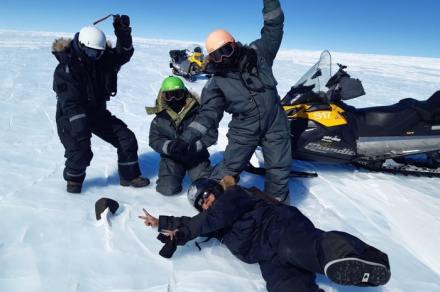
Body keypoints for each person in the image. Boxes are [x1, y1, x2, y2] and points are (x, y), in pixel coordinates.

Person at [139, 177, 391, 292]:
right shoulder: (212, 221)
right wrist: (161, 221)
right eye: (201, 203)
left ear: (216, 189)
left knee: (303, 248)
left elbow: (204, 220)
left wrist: (182, 234)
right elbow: (197, 221)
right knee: (284, 286)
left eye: (207, 195)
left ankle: (363, 257)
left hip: (278, 228)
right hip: (266, 256)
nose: (206, 202)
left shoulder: (233, 196)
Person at [169, 0, 292, 201]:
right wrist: (186, 139)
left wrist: (270, 2)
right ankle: (211, 200)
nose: (223, 58)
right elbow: (208, 115)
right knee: (230, 166)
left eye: (226, 50)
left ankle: (276, 211)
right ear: (211, 59)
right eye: (216, 56)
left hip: (275, 123)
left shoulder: (258, 55)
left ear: (234, 45)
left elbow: (274, 27)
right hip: (245, 129)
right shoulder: (216, 83)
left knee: (279, 169)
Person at [52, 15, 149, 193]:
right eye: (91, 52)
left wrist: (123, 32)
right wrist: (81, 131)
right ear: (81, 46)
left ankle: (129, 176)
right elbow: (70, 103)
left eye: (98, 52)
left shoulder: (101, 58)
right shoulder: (66, 69)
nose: (95, 57)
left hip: (97, 112)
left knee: (126, 138)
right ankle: (73, 181)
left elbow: (124, 52)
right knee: (81, 152)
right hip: (71, 116)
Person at [146, 76, 217, 195]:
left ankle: (218, 173)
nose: (174, 99)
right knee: (167, 190)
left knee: (204, 188)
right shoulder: (160, 118)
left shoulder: (199, 113)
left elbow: (211, 134)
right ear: (163, 97)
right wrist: (169, 147)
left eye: (177, 94)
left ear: (185, 94)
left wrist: (194, 147)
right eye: (169, 95)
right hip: (172, 158)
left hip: (196, 157)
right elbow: (154, 139)